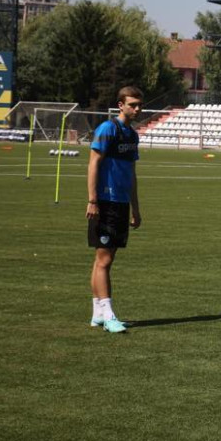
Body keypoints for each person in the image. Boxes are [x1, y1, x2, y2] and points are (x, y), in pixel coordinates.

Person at [86, 86, 144, 333]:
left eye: (139, 105)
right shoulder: (108, 129)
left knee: (104, 260)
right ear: (120, 105)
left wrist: (136, 208)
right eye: (132, 104)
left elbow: (131, 173)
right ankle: (109, 315)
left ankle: (98, 313)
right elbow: (93, 163)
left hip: (121, 203)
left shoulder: (132, 135)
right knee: (104, 258)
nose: (137, 109)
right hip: (106, 202)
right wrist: (93, 199)